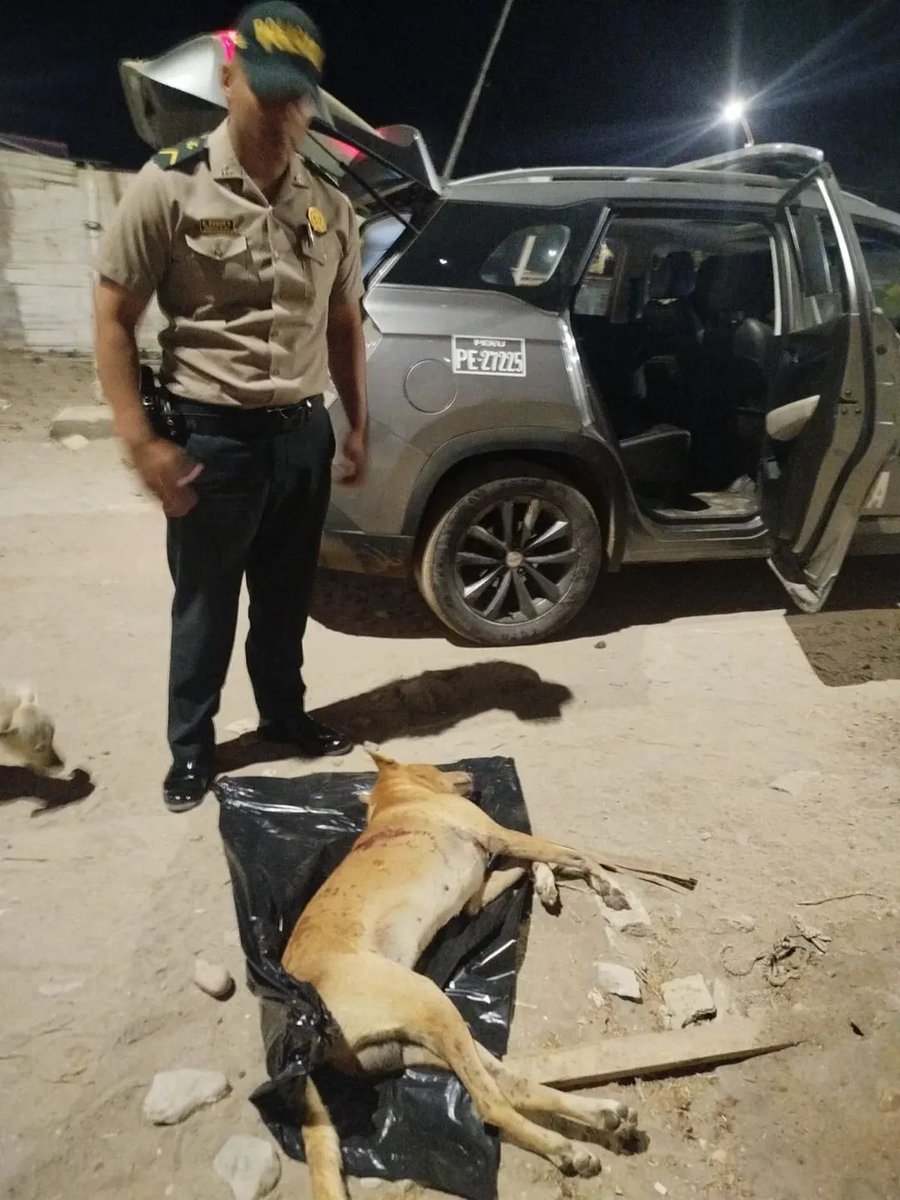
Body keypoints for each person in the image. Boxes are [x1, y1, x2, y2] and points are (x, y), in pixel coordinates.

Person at [93, 1, 368, 812]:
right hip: (212, 437)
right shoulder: (170, 184)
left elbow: (345, 320)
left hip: (301, 436)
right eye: (266, 91)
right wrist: (142, 443)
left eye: (296, 98)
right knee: (206, 610)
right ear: (228, 78)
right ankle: (192, 749)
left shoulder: (330, 203)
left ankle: (283, 715)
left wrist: (355, 423)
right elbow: (113, 318)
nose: (281, 114)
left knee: (287, 600)